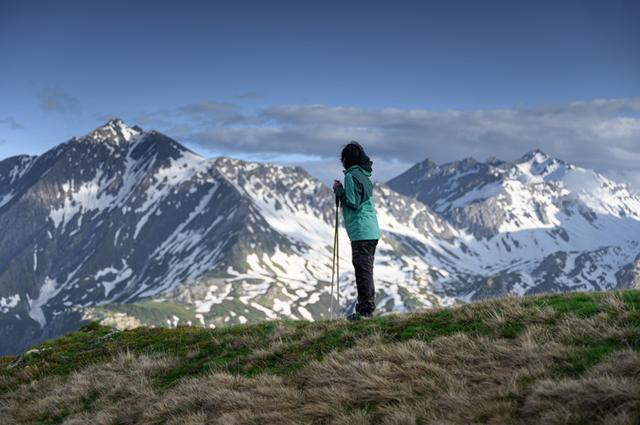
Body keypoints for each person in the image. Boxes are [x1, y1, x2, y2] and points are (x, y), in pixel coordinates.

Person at [332, 141, 381, 320]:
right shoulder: (364, 176)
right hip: (371, 229)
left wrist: (339, 192)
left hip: (361, 230)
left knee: (362, 270)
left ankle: (365, 311)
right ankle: (365, 308)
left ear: (346, 160)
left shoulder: (351, 176)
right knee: (366, 269)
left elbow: (352, 202)